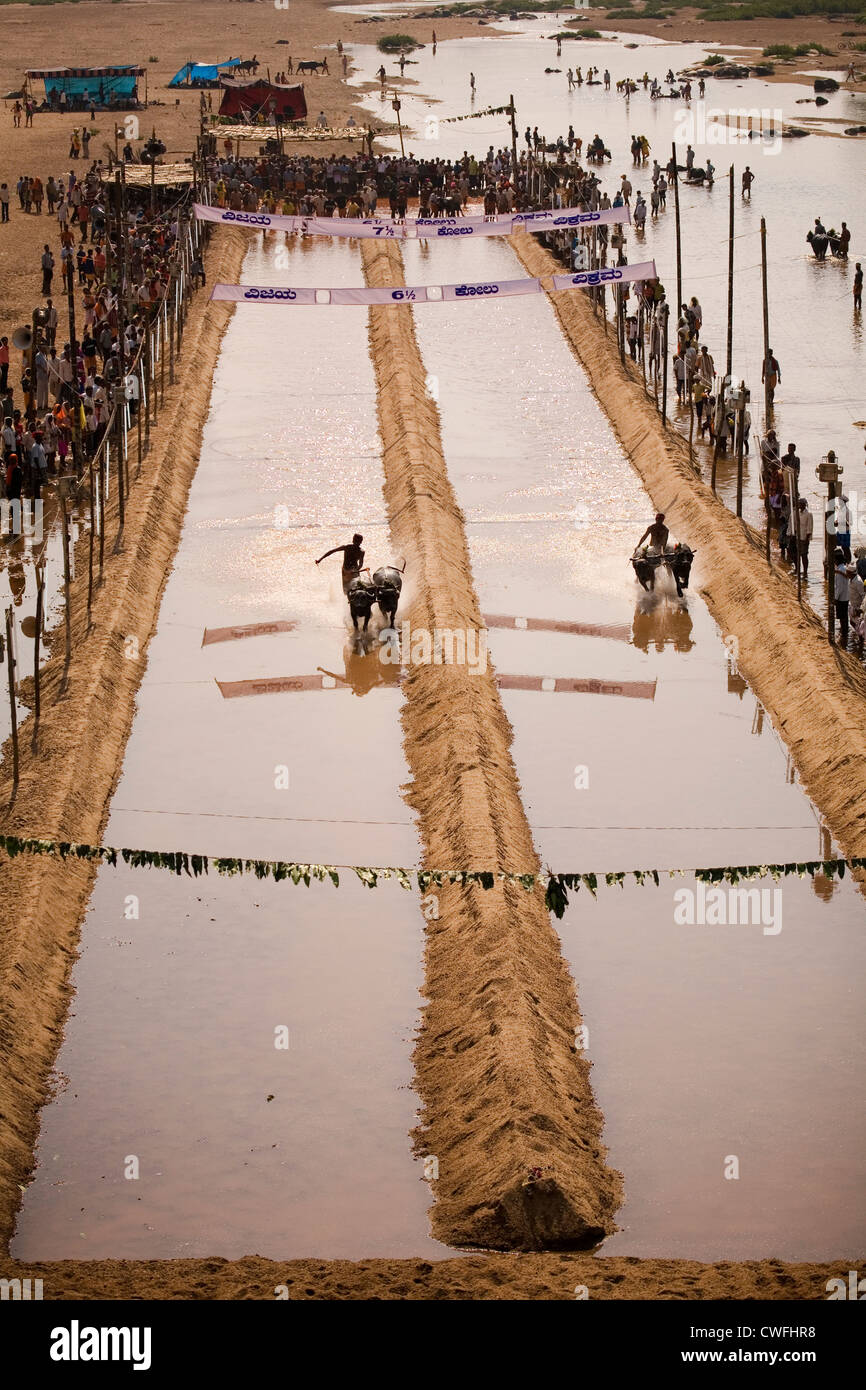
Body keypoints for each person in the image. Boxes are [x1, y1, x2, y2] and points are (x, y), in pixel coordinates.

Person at [835, 548, 855, 647]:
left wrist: (835, 598)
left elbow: (839, 587)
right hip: (846, 596)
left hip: (841, 597)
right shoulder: (843, 568)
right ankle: (845, 633)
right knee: (844, 617)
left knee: (842, 617)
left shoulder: (839, 570)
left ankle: (844, 635)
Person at [794, 497, 813, 577]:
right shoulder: (797, 513)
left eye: (800, 504)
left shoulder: (808, 514)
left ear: (804, 505)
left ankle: (805, 572)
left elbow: (809, 527)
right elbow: (795, 525)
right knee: (797, 554)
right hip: (798, 536)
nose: (799, 505)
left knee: (804, 555)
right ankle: (798, 570)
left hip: (804, 538)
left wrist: (806, 539)